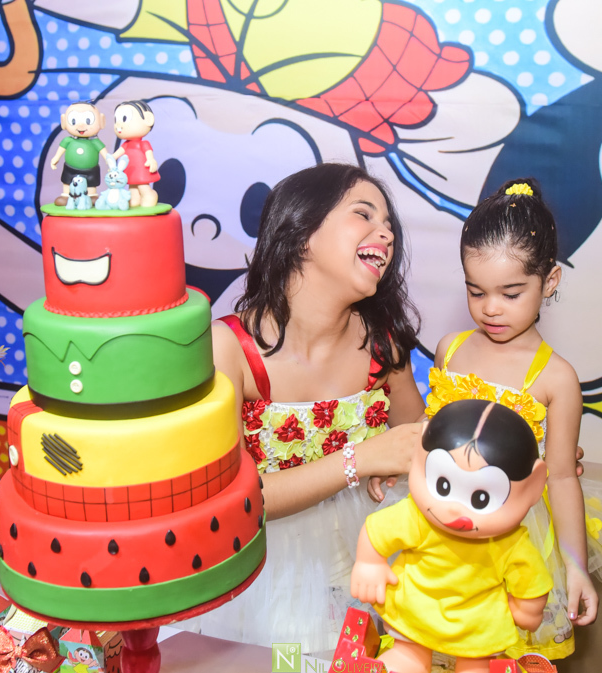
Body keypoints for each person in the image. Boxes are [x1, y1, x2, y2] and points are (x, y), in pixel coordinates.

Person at [177, 163, 425, 653]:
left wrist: (404, 459)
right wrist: (363, 459)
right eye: (364, 214)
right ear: (300, 233)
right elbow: (232, 500)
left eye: (390, 225)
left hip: (371, 554)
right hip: (265, 567)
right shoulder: (229, 349)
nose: (386, 233)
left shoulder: (384, 343)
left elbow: (416, 435)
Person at [425, 179, 602, 663]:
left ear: (549, 282)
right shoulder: (450, 349)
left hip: (510, 540)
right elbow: (426, 445)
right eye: (477, 291)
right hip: (440, 530)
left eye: (511, 293)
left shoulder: (556, 379)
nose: (491, 308)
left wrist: (576, 567)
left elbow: (560, 478)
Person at [352, 399, 553, 673]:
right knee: (407, 657)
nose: (454, 511)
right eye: (443, 485)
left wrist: (529, 608)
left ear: (532, 487)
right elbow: (378, 532)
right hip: (416, 610)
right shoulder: (417, 516)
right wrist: (369, 564)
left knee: (476, 664)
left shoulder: (510, 542)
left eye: (481, 498)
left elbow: (531, 580)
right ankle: (409, 659)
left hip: (477, 625)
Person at [48, 102, 112, 206]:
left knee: (91, 183)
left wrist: (110, 163)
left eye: (88, 121)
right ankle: (66, 195)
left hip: (91, 169)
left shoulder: (95, 142)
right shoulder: (68, 140)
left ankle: (91, 196)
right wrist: (55, 158)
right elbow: (60, 150)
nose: (81, 125)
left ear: (101, 121)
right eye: (73, 121)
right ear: (64, 122)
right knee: (67, 181)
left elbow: (106, 154)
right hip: (70, 168)